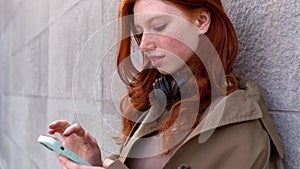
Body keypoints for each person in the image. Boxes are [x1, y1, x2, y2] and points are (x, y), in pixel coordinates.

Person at [47, 0, 285, 168]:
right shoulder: (163, 101)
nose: (143, 45)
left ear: (201, 21)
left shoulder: (239, 128)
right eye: (140, 32)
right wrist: (95, 162)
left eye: (159, 27)